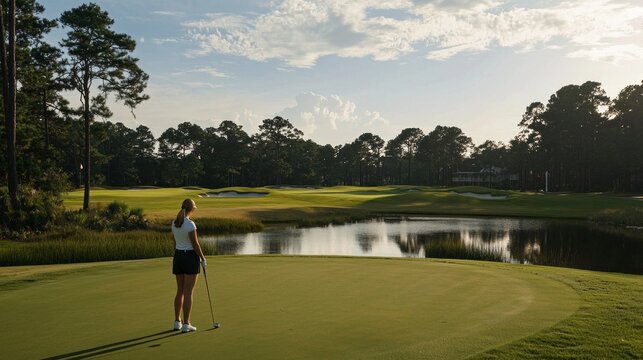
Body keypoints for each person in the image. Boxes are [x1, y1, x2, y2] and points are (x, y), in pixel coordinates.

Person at [171, 198, 207, 333]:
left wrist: (178, 255)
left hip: (178, 257)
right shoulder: (190, 225)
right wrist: (203, 258)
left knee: (179, 290)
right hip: (190, 258)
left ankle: (177, 322)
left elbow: (175, 243)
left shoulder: (174, 223)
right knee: (188, 292)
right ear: (191, 209)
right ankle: (186, 324)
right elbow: (195, 245)